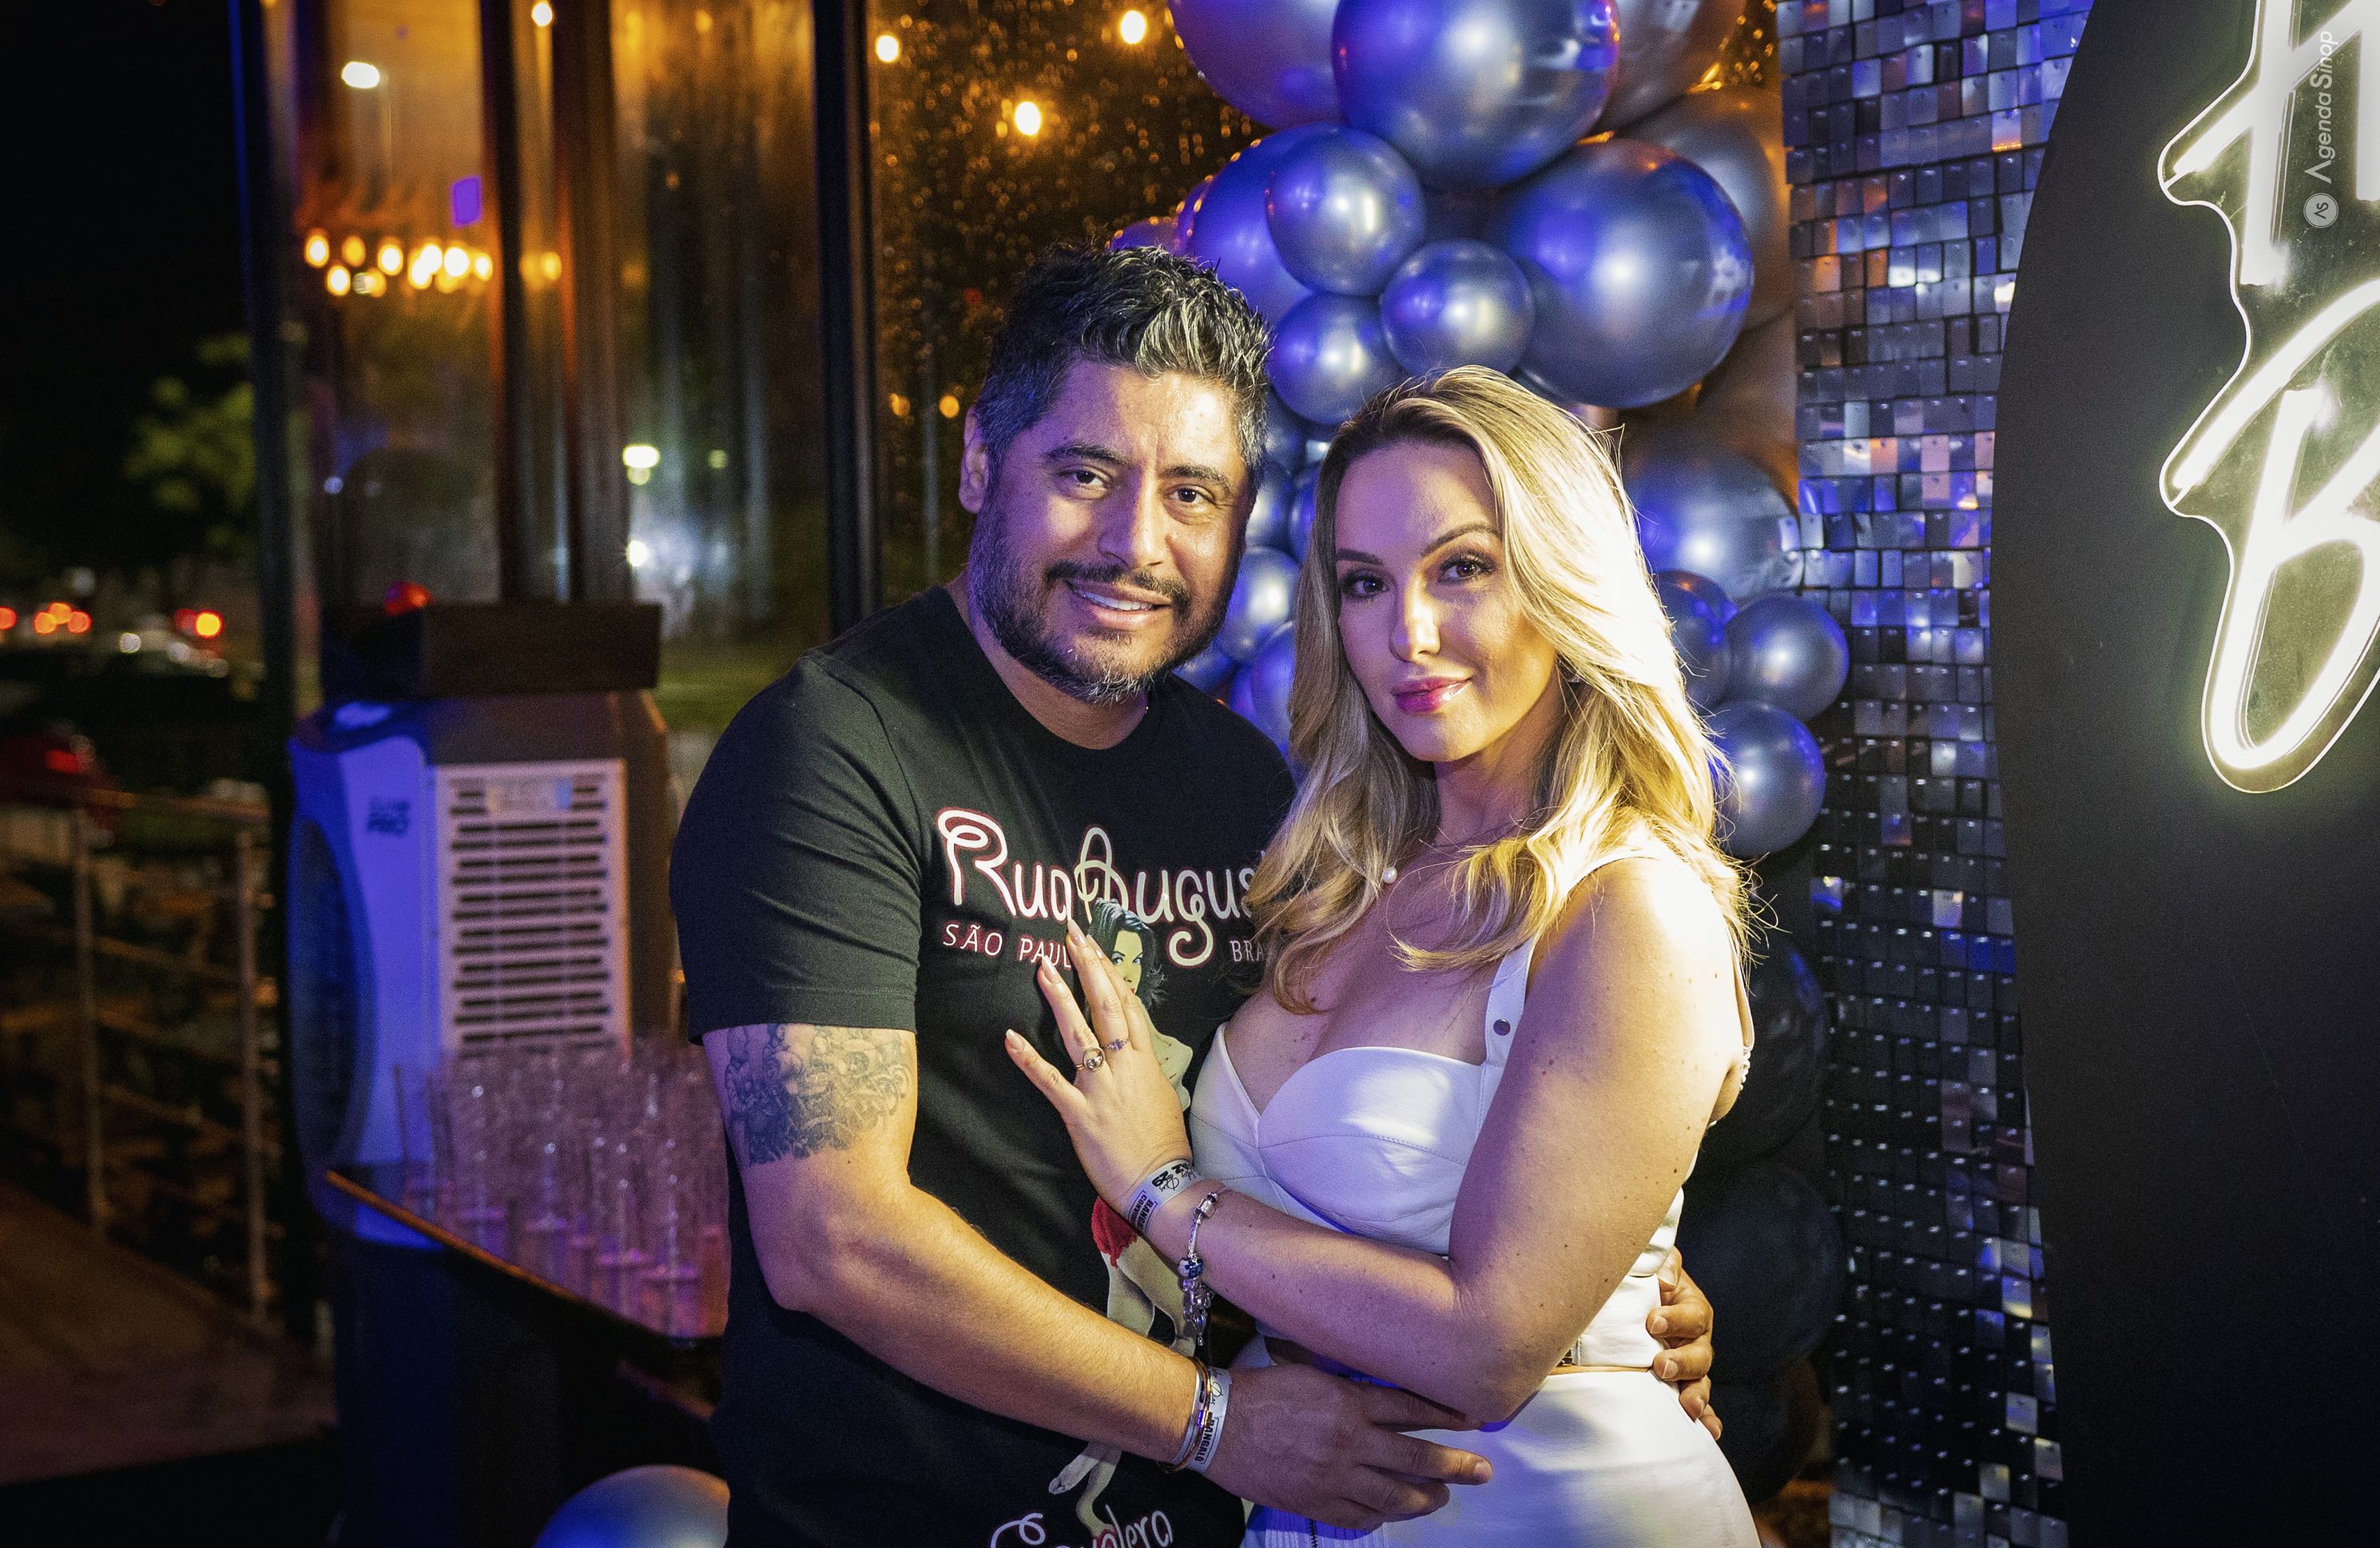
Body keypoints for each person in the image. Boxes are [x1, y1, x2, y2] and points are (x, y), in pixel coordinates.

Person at [670, 247, 1719, 1548]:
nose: (1135, 544)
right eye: (1085, 475)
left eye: (1192, 494)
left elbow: (1372, 1150)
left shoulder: (1251, 790)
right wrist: (1212, 1419)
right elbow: (835, 1240)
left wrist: (1604, 1283)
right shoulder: (832, 752)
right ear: (980, 465)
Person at [1008, 368, 1761, 1545]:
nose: (1407, 633)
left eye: (1463, 568)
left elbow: (1488, 1349)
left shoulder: (1628, 907)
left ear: (1563, 580)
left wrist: (1164, 1189)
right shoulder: (1337, 883)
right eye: (1364, 584)